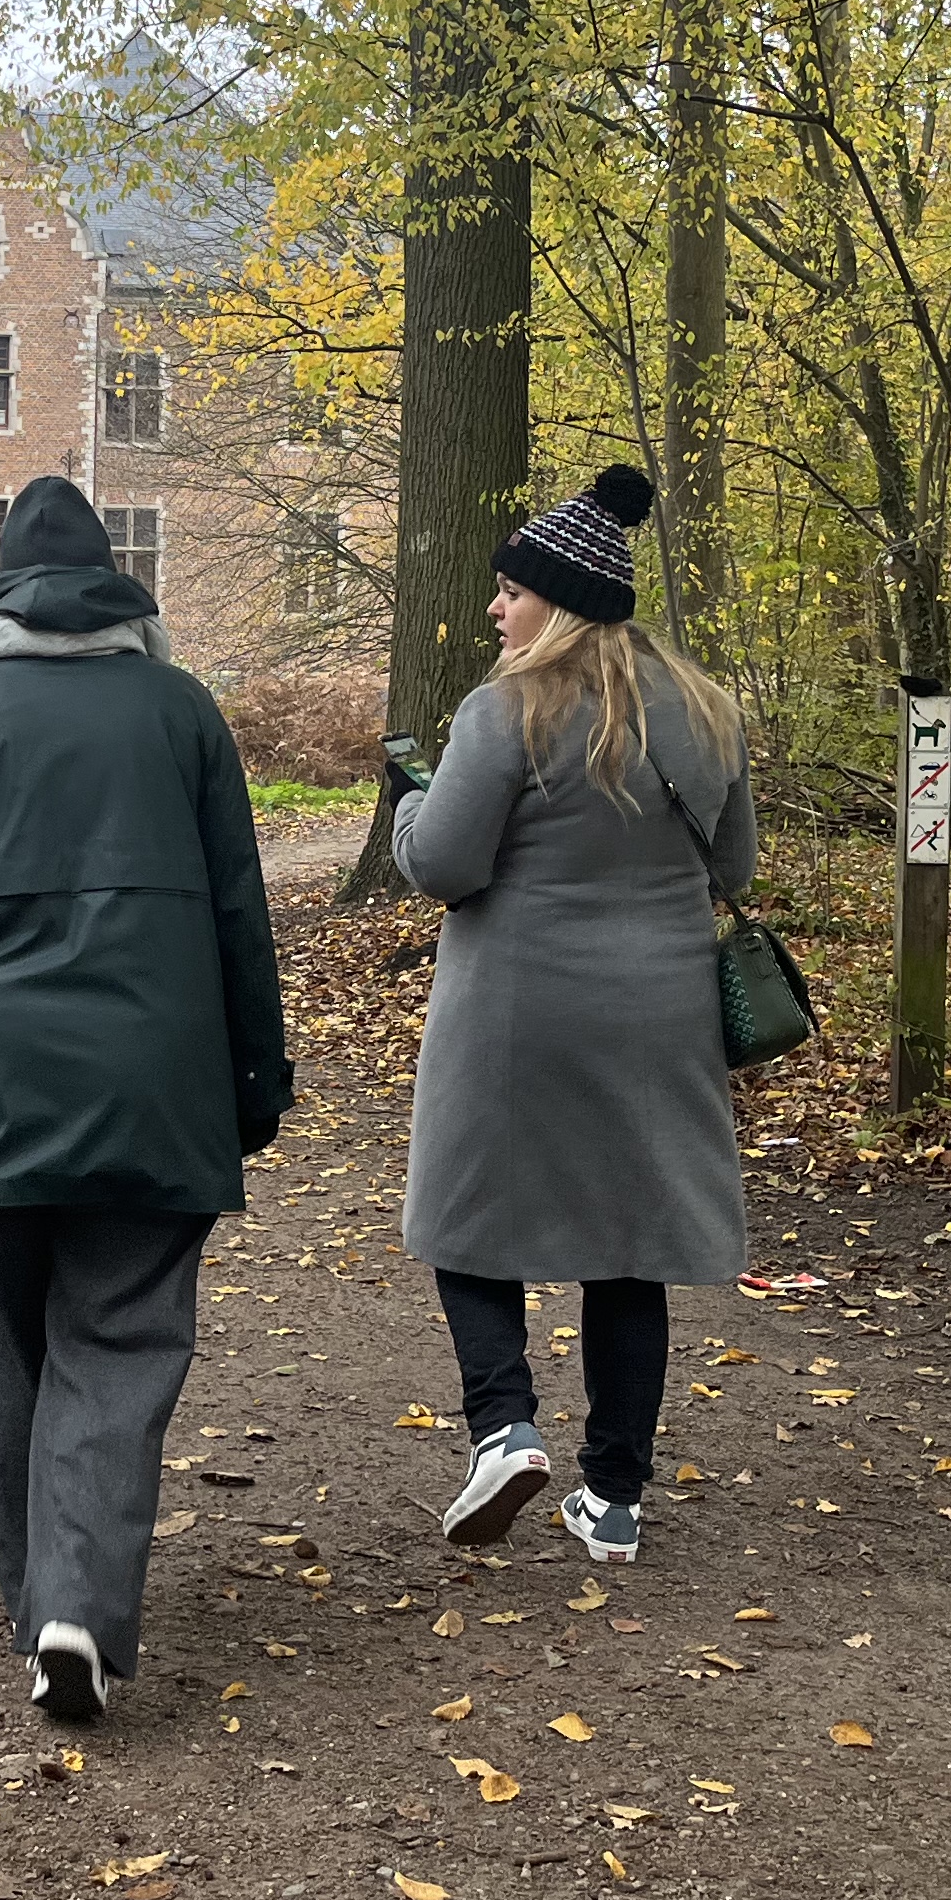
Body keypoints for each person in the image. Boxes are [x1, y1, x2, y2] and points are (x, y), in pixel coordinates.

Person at [0, 476, 290, 1722]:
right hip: (157, 1082)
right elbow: (235, 918)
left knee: (1, 1346)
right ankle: (74, 1607)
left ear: (0, 591)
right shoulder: (185, 714)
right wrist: (257, 1080)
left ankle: (38, 1600)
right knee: (122, 1337)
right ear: (117, 592)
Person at [386, 463, 755, 1564]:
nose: (495, 608)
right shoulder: (708, 711)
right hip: (661, 1018)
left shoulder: (505, 709)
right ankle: (614, 1501)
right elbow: (731, 865)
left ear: (558, 601)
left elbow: (448, 864)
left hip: (515, 1010)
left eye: (511, 591)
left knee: (465, 1218)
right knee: (628, 1246)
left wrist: (407, 811)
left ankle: (503, 1427)